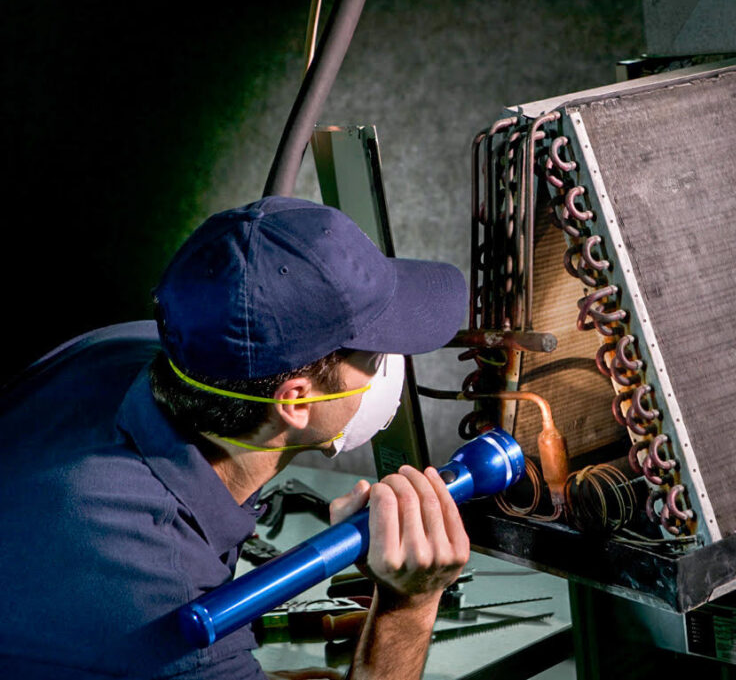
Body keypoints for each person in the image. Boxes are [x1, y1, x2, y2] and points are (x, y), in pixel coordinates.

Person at [0, 196, 471, 679]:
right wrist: (408, 606)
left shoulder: (120, 349)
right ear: (295, 402)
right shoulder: (166, 607)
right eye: (373, 355)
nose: (390, 363)